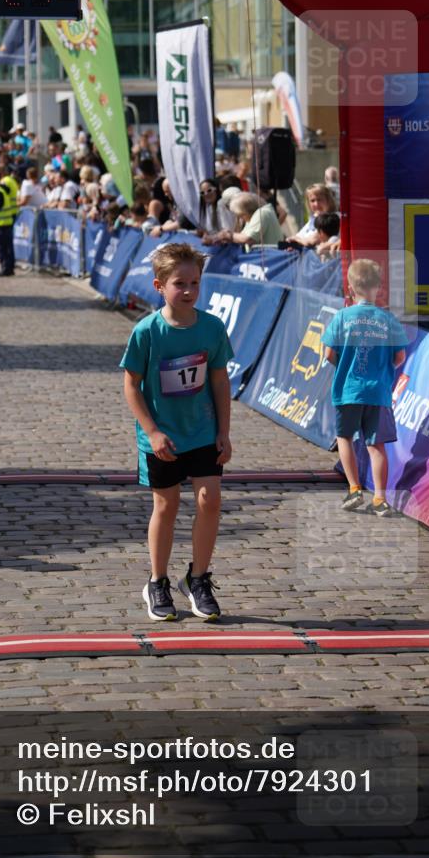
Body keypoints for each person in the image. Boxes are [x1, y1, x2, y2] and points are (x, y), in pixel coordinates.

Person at [120, 242, 233, 622]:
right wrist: (152, 432)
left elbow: (220, 381)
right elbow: (131, 386)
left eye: (195, 283)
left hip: (202, 430)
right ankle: (157, 581)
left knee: (210, 500)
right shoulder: (147, 331)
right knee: (166, 506)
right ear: (159, 285)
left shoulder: (212, 328)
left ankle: (198, 578)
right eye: (179, 284)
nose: (188, 291)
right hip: (162, 435)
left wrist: (224, 430)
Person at [322, 259, 408, 516]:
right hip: (378, 392)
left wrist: (345, 366)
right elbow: (400, 357)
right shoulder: (388, 319)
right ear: (378, 287)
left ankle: (354, 487)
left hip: (347, 390)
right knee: (376, 445)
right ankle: (380, 498)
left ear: (349, 288)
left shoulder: (342, 317)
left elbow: (328, 354)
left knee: (345, 438)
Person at [204, 192, 283, 247]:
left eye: (240, 215)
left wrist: (228, 235)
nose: (241, 218)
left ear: (246, 211)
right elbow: (241, 236)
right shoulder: (255, 215)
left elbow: (248, 239)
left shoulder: (262, 213)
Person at [0, 171, 18, 277]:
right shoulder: (4, 190)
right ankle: (9, 268)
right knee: (8, 247)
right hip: (6, 223)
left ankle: (5, 268)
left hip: (1, 224)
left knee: (1, 248)